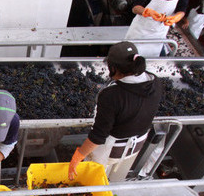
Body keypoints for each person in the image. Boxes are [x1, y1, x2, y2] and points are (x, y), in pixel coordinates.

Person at [68, 42, 165, 182]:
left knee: (90, 179)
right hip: (137, 144)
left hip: (112, 148)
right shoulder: (154, 81)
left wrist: (79, 155)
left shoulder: (112, 95)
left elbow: (99, 136)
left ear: (113, 68)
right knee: (115, 177)